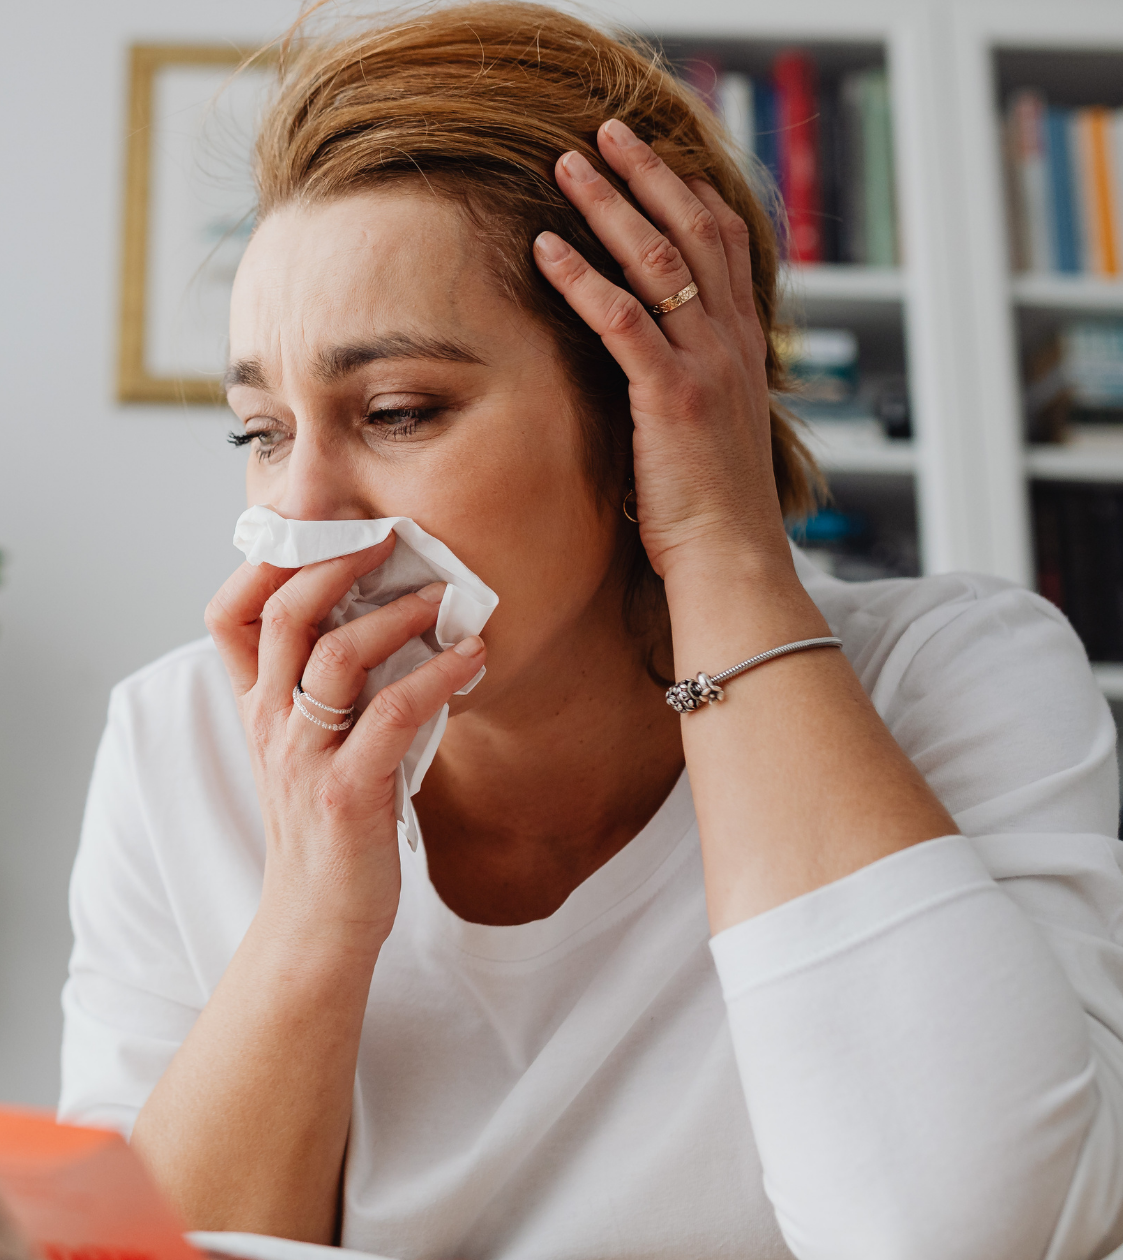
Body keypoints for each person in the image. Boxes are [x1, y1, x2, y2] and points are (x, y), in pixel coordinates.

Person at [57, 4, 1123, 1258]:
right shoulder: (174, 738)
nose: (300, 517)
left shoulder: (951, 678)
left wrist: (721, 544)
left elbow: (974, 1232)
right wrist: (312, 902)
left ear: (642, 408)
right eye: (261, 433)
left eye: (396, 411)